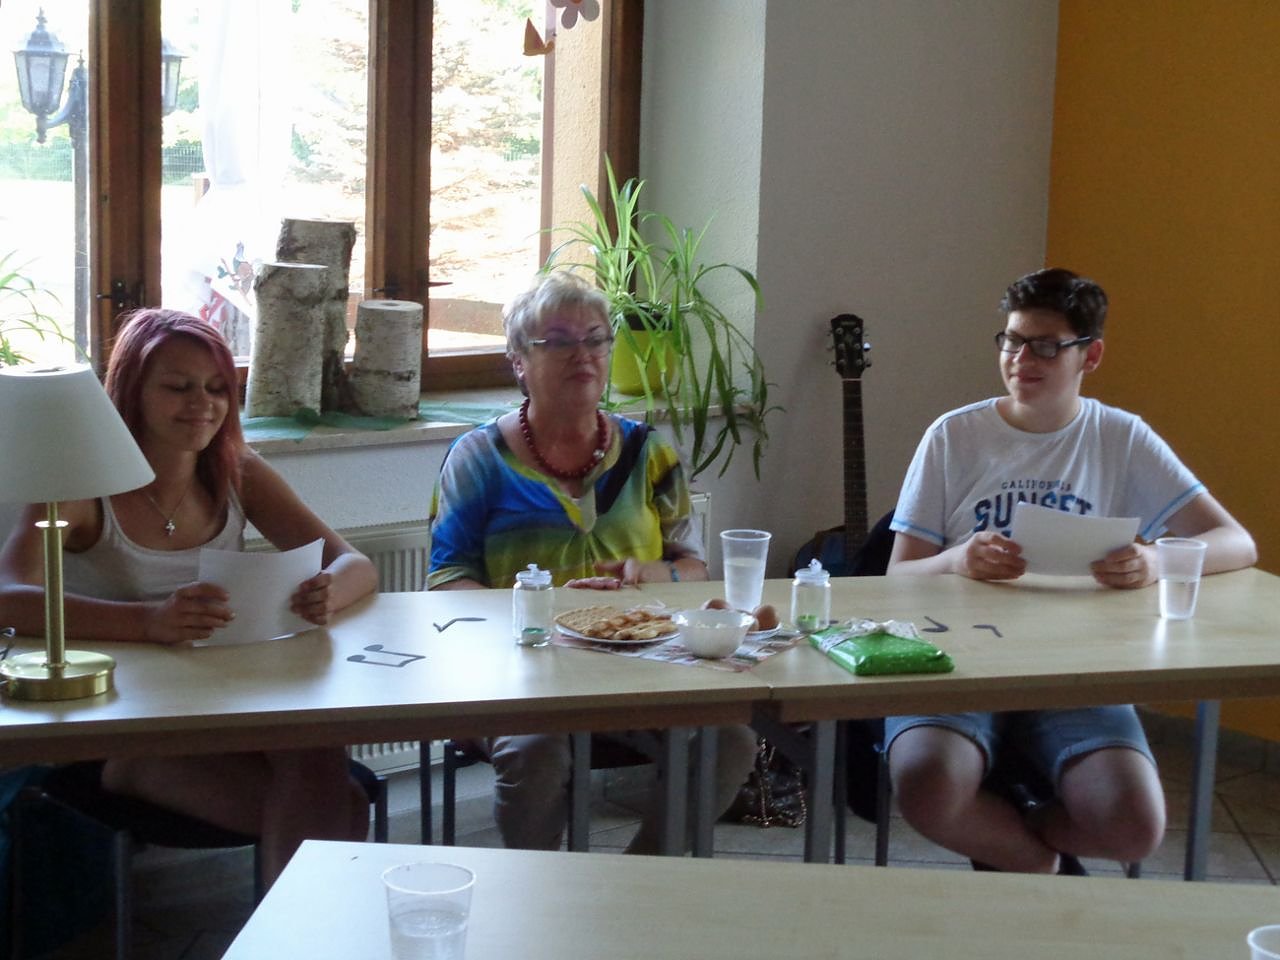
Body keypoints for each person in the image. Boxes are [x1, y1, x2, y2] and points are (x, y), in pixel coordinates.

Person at [885, 267, 1256, 873]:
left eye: (1046, 346)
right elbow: (897, 578)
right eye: (1012, 341)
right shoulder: (954, 436)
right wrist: (957, 560)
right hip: (955, 659)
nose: (1021, 360)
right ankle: (1034, 865)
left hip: (1077, 667)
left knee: (1135, 826)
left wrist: (1153, 561)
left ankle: (1030, 828)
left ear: (1092, 355)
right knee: (928, 788)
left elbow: (1236, 542)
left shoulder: (1120, 437)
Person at [0, 308, 379, 887]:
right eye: (178, 387)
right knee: (336, 804)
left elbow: (357, 565)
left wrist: (328, 592)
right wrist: (148, 621)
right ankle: (300, 935)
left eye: (217, 388)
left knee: (319, 754)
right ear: (132, 391)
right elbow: (7, 596)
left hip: (223, 701)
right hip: (124, 719)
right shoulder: (83, 483)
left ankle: (292, 933)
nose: (201, 403)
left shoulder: (236, 470)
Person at [428, 271, 757, 853]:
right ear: (519, 361)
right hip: (520, 670)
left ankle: (640, 880)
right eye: (558, 341)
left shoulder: (649, 450)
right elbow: (447, 580)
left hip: (639, 667)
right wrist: (545, 609)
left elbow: (693, 566)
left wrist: (647, 575)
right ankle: (540, 893)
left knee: (729, 740)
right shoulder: (478, 457)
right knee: (535, 751)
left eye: (595, 339)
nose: (582, 354)